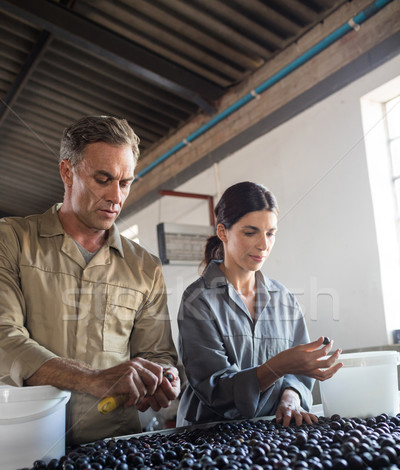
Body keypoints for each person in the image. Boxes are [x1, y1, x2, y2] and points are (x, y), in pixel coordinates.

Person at [0, 115, 180, 445]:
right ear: (67, 172)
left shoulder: (145, 267)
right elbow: (3, 337)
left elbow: (158, 353)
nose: (116, 197)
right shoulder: (11, 240)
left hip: (112, 445)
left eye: (125, 183)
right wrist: (91, 379)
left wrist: (164, 377)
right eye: (103, 179)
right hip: (24, 441)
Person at [176, 181, 342, 428]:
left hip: (274, 428)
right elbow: (216, 391)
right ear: (223, 232)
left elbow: (298, 378)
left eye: (270, 233)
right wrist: (279, 366)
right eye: (250, 232)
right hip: (210, 435)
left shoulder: (284, 298)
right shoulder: (198, 301)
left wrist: (291, 396)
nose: (263, 245)